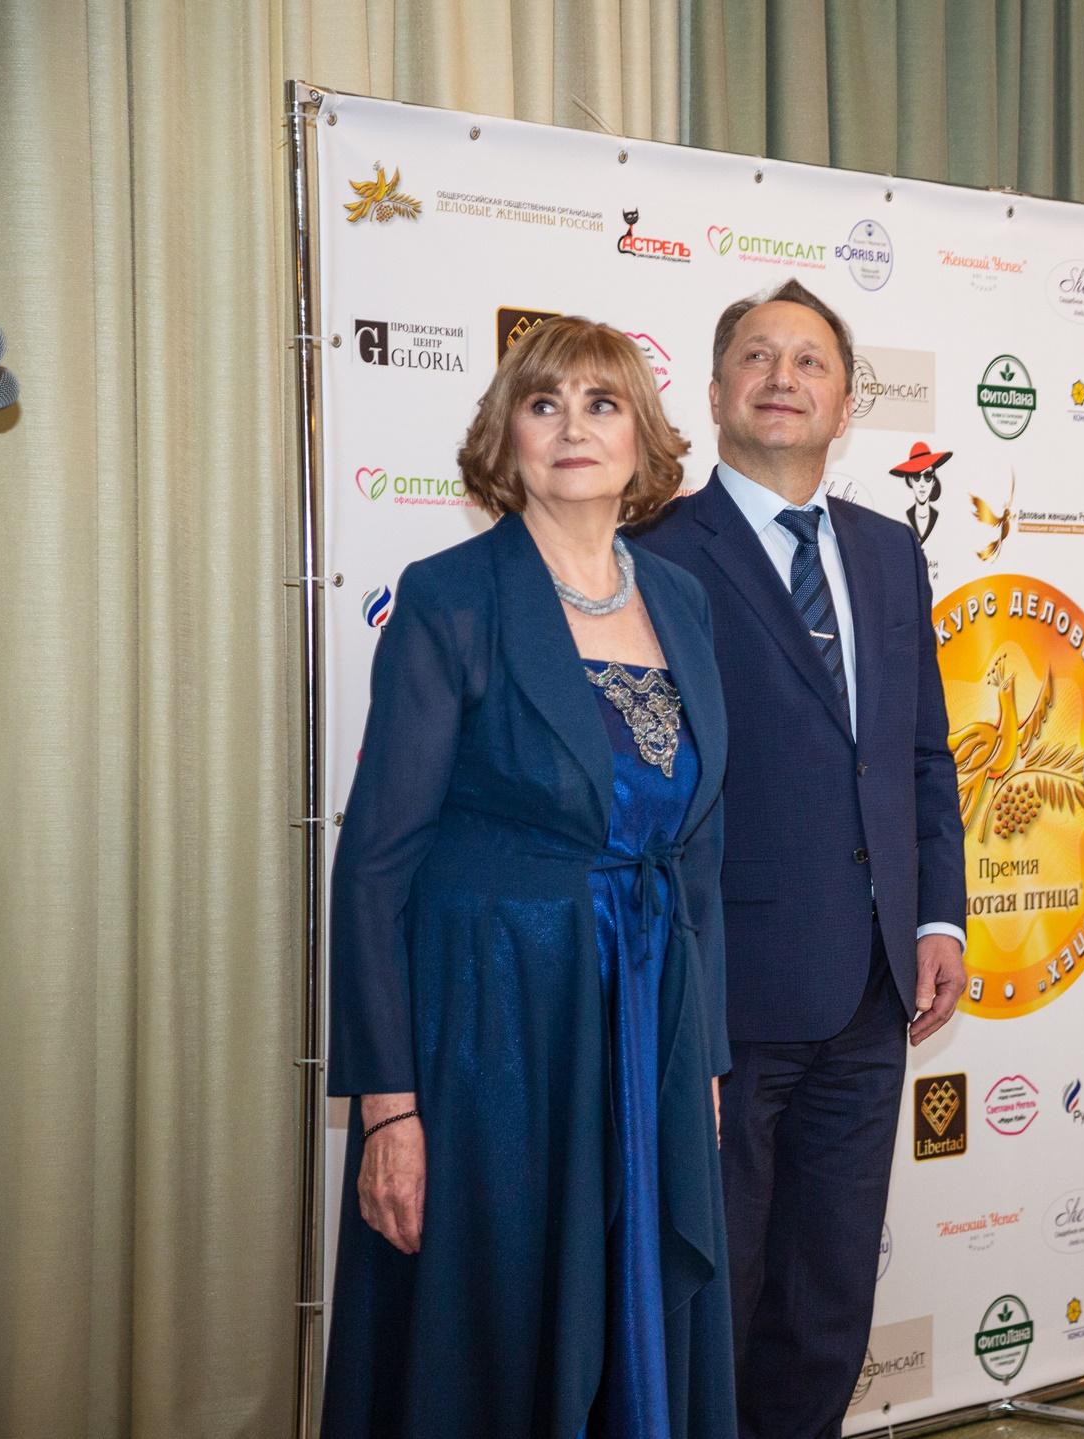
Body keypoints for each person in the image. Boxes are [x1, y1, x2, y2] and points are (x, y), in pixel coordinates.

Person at [323, 316, 736, 1437]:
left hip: (647, 1025)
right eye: (543, 404)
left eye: (602, 403)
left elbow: (695, 851)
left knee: (639, 1321)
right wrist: (389, 1106)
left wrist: (702, 1060)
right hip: (497, 1038)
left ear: (642, 437)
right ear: (505, 437)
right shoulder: (452, 595)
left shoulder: (682, 600)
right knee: (496, 1337)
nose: (571, 428)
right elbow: (375, 867)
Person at [633, 279, 966, 1439]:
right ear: (714, 389)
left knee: (827, 1299)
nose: (783, 377)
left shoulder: (887, 551)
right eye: (757, 356)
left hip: (870, 991)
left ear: (845, 403)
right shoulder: (654, 552)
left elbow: (920, 751)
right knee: (710, 1294)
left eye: (810, 361)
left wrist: (938, 917)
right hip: (720, 995)